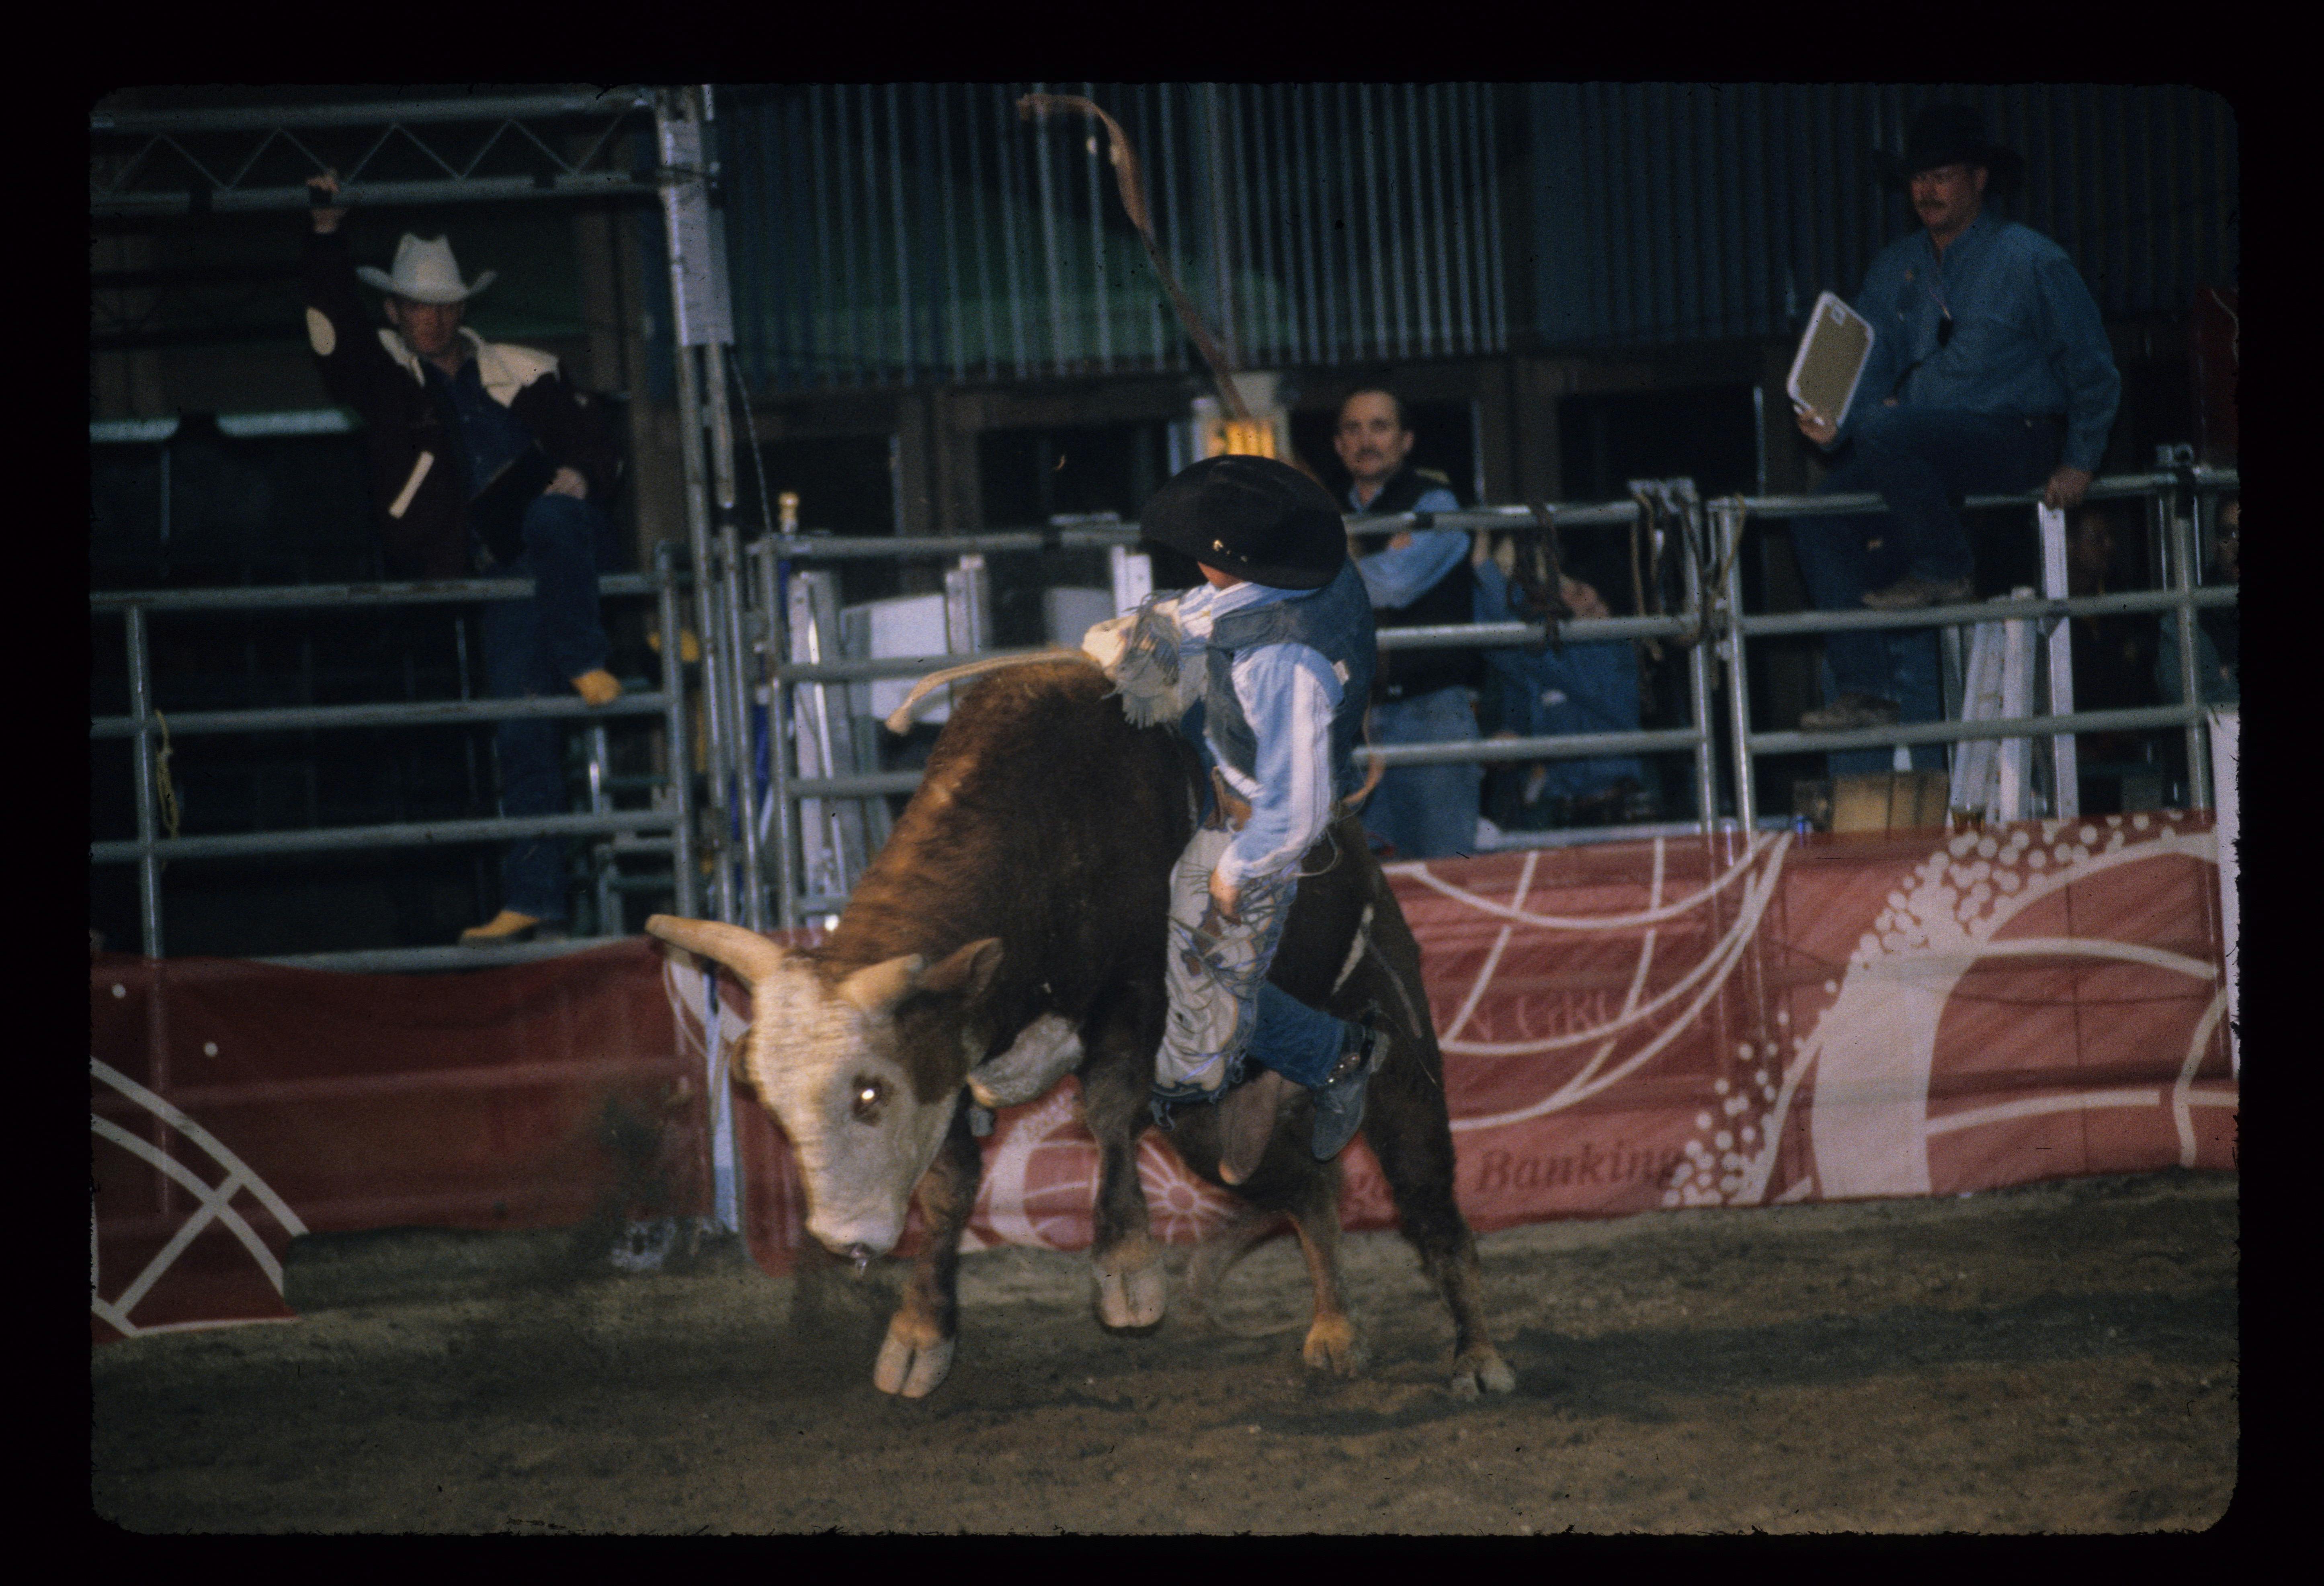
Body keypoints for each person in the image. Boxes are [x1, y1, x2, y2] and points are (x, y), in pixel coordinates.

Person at [303, 171, 625, 945]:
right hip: (500, 570)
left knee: (551, 510)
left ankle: (584, 656)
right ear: (394, 310)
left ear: (462, 311)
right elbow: (329, 331)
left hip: (558, 545)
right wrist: (325, 237)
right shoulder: (385, 381)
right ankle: (538, 899)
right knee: (520, 727)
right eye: (418, 305)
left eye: (445, 305)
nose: (433, 318)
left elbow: (596, 443)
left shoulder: (525, 369)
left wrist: (581, 475)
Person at [1791, 105, 2121, 775]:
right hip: (1923, 447)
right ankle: (1864, 686)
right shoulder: (1895, 269)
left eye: (1942, 176)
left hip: (2012, 436)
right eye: (1918, 179)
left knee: (1886, 430)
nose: (1927, 190)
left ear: (1978, 178)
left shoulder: (2032, 260)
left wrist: (2079, 459)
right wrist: (1832, 423)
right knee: (1817, 517)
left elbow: (2091, 367)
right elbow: (1867, 362)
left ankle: (1943, 568)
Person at [1101, 454, 1393, 1166]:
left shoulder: (1280, 663)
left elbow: (1295, 809)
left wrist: (1237, 869)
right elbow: (1226, 610)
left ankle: (1335, 1056)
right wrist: (1152, 626)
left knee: (1203, 986)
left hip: (1254, 810)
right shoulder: (1307, 578)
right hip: (1232, 759)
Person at [1336, 389, 1483, 859]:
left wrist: (1332, 567)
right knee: (1366, 879)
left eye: (1380, 427)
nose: (1366, 440)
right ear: (1339, 445)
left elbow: (1393, 585)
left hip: (1430, 712)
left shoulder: (1437, 503)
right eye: (1353, 429)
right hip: (1352, 721)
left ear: (1406, 440)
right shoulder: (1330, 515)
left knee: (1445, 871)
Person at [1470, 534, 1652, 828]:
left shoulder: (1610, 651)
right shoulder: (1552, 658)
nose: (1567, 595)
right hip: (1567, 811)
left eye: (1576, 589)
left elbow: (1529, 648)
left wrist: (1486, 570)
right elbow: (1497, 640)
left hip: (1614, 810)